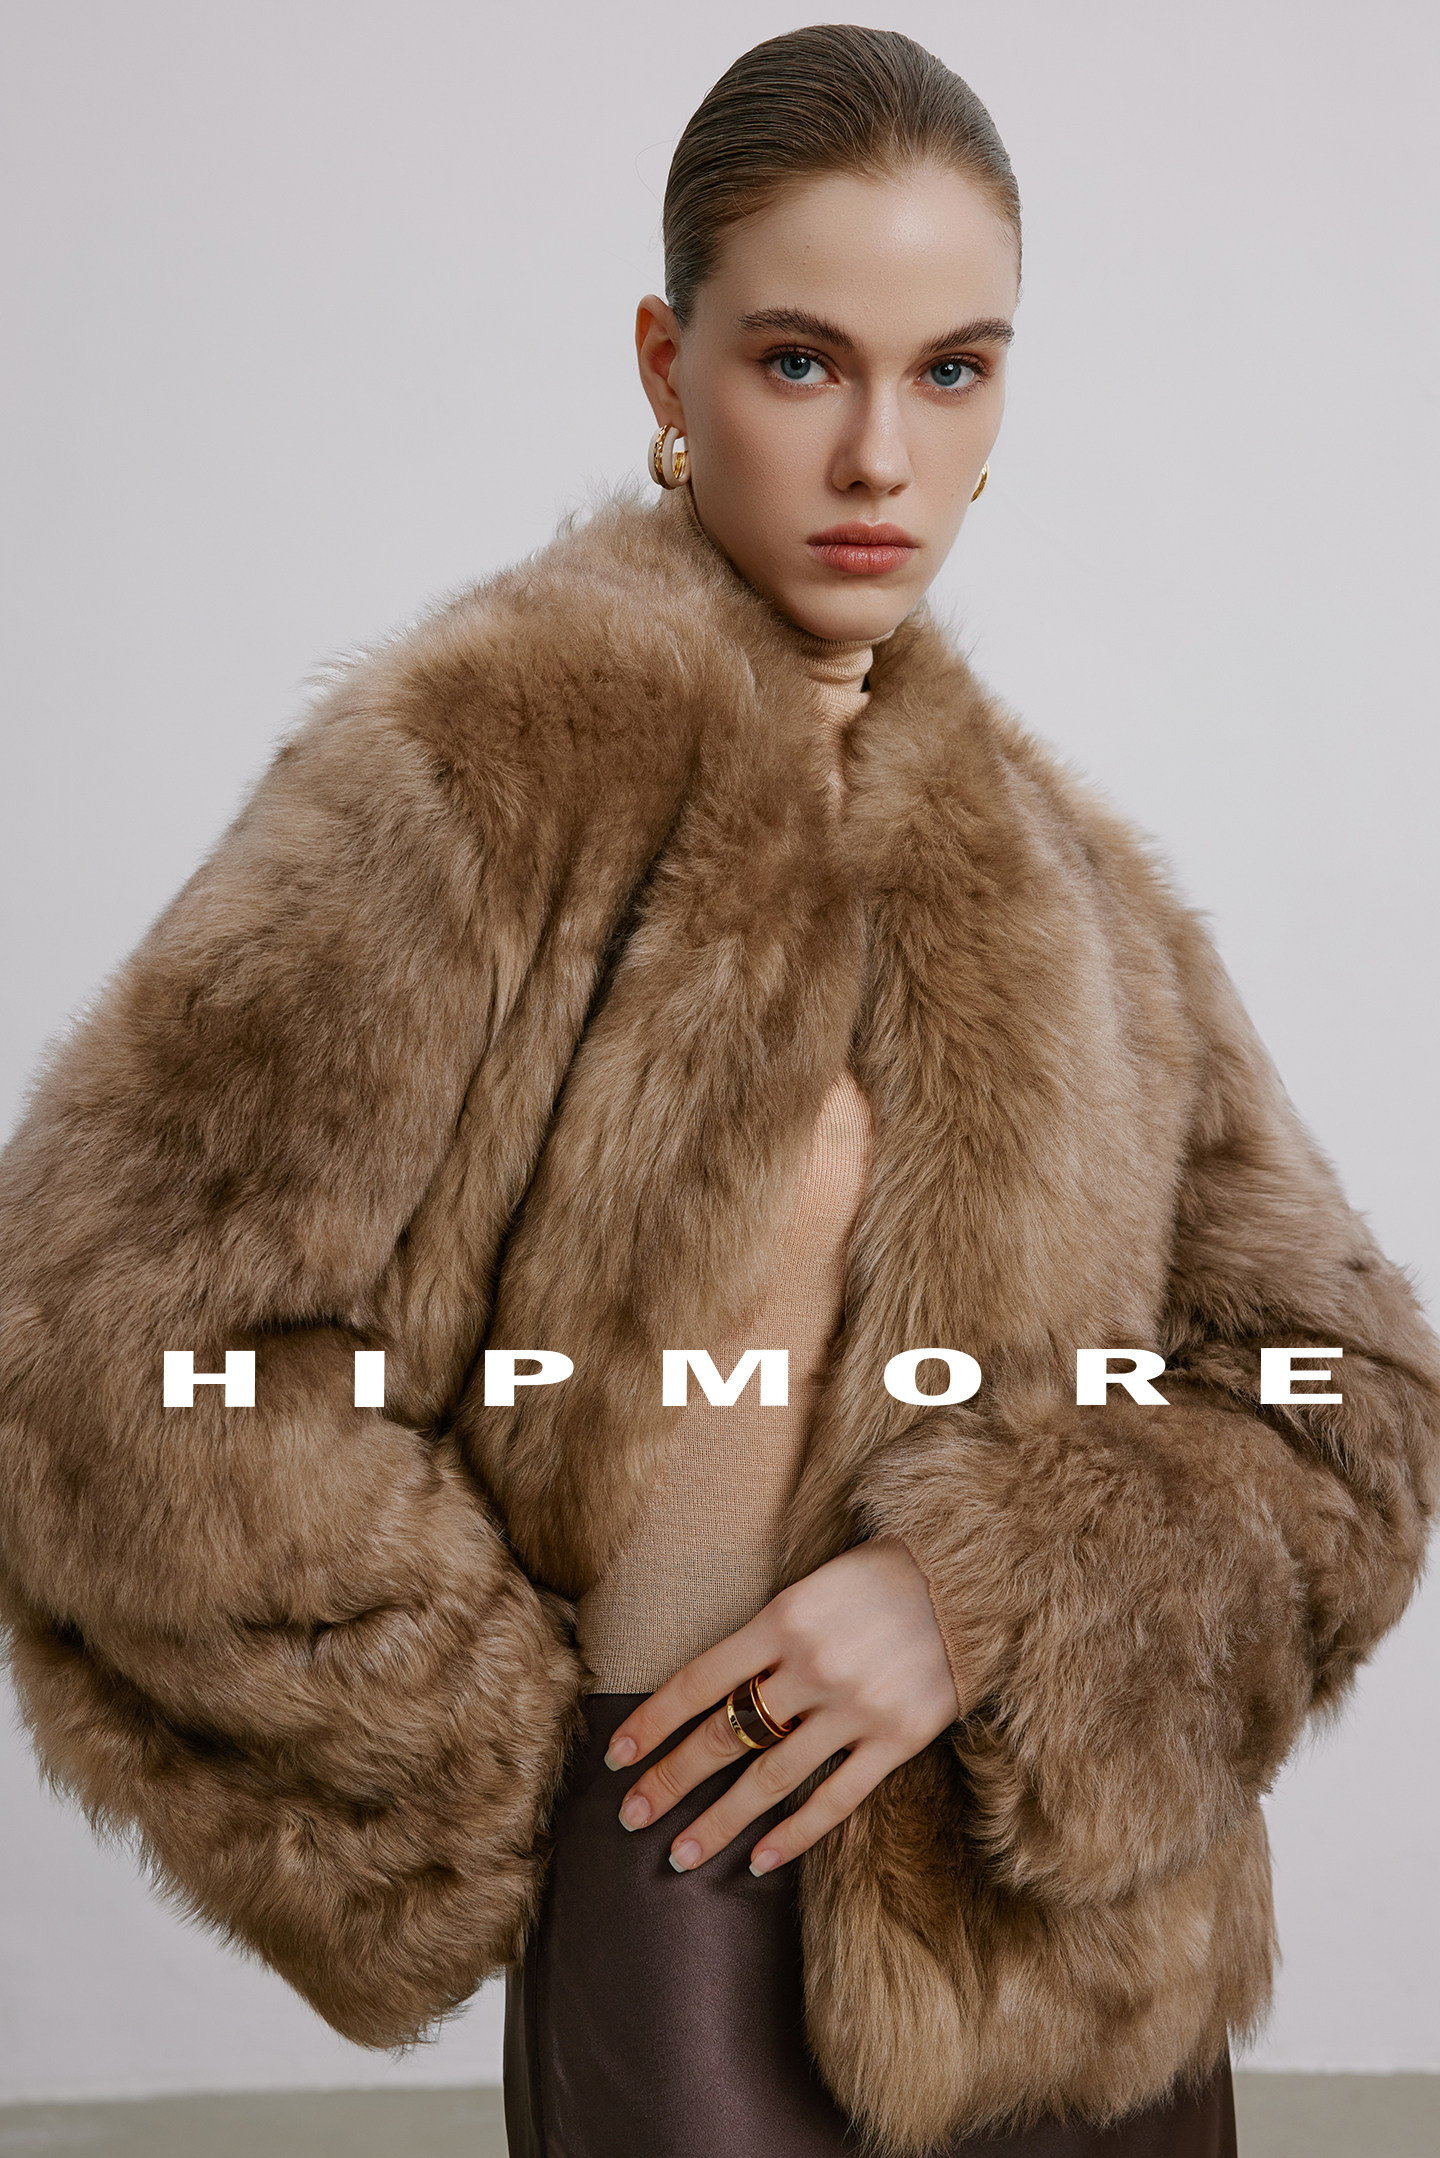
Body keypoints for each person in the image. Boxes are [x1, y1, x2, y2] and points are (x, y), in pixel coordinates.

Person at [0, 23, 1436, 2158]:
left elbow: (1352, 1398)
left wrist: (985, 1595)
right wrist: (511, 1754)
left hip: (1094, 1981)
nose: (880, 454)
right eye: (800, 361)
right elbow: (107, 1349)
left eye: (953, 369)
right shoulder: (479, 777)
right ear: (669, 370)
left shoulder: (1066, 878)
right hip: (694, 1898)